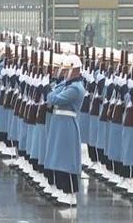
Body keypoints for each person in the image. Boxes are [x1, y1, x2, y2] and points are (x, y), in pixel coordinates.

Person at [45, 54, 86, 207]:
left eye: (66, 70)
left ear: (74, 71)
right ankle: (63, 191)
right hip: (60, 124)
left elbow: (54, 98)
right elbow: (54, 93)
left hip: (67, 125)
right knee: (58, 158)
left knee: (67, 161)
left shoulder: (75, 88)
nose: (63, 73)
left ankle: (70, 194)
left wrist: (50, 92)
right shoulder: (68, 85)